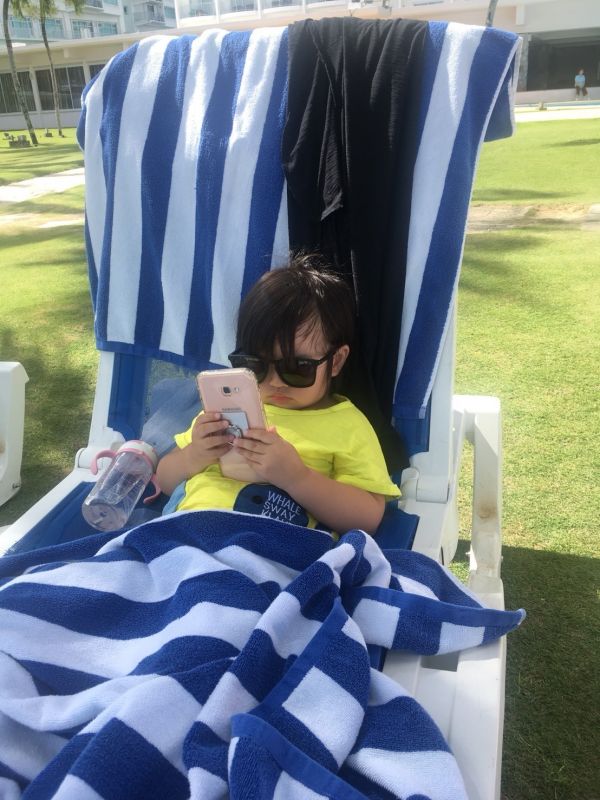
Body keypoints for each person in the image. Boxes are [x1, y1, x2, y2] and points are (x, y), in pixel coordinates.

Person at [157, 255, 400, 535]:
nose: (275, 382)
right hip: (188, 533)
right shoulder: (228, 409)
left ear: (336, 361)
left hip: (273, 546)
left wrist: (298, 478)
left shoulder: (348, 426)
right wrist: (194, 456)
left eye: (297, 368)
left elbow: (368, 516)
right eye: (256, 366)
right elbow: (165, 479)